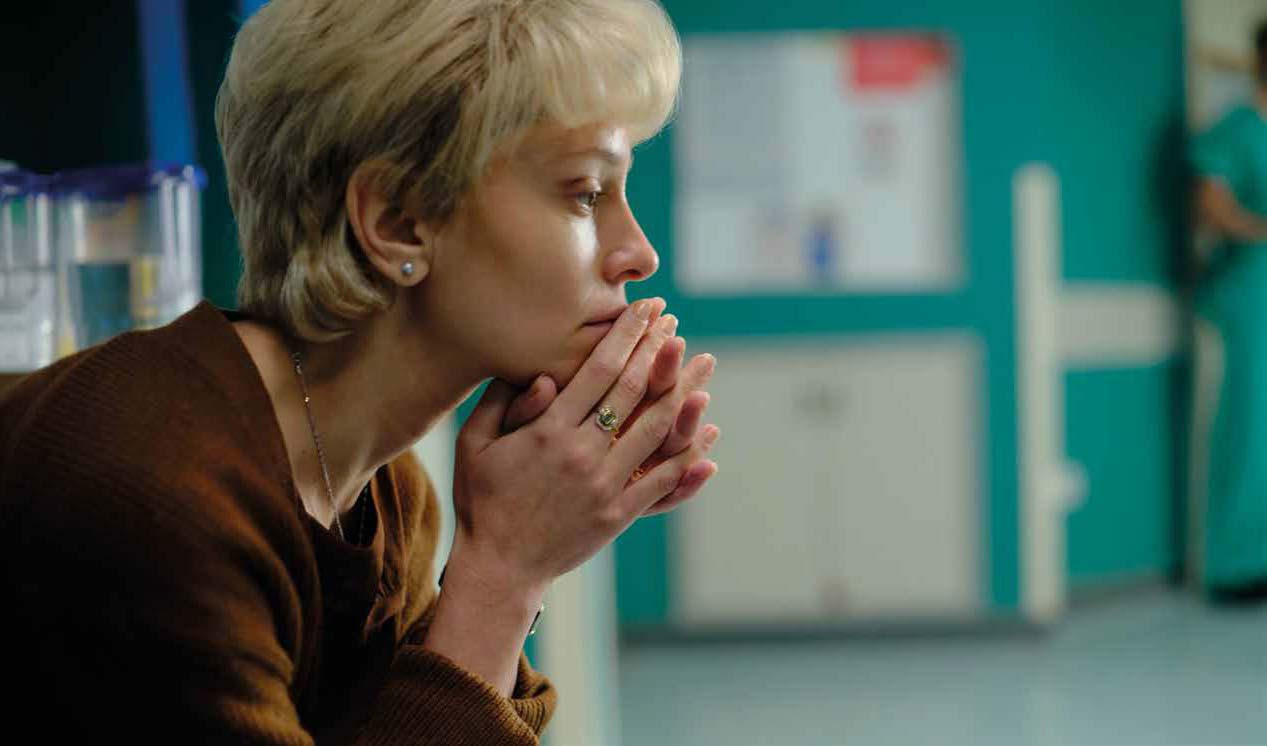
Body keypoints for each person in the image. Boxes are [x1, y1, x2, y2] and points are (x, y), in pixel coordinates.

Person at [0, 0, 721, 742]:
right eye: (586, 193)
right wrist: (505, 572)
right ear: (396, 223)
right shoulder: (156, 489)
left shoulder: (387, 493)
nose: (639, 254)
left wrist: (518, 548)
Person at [1192, 19, 1267, 602]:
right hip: (1249, 293)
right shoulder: (1236, 130)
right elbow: (1212, 208)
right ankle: (1234, 565)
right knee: (1249, 426)